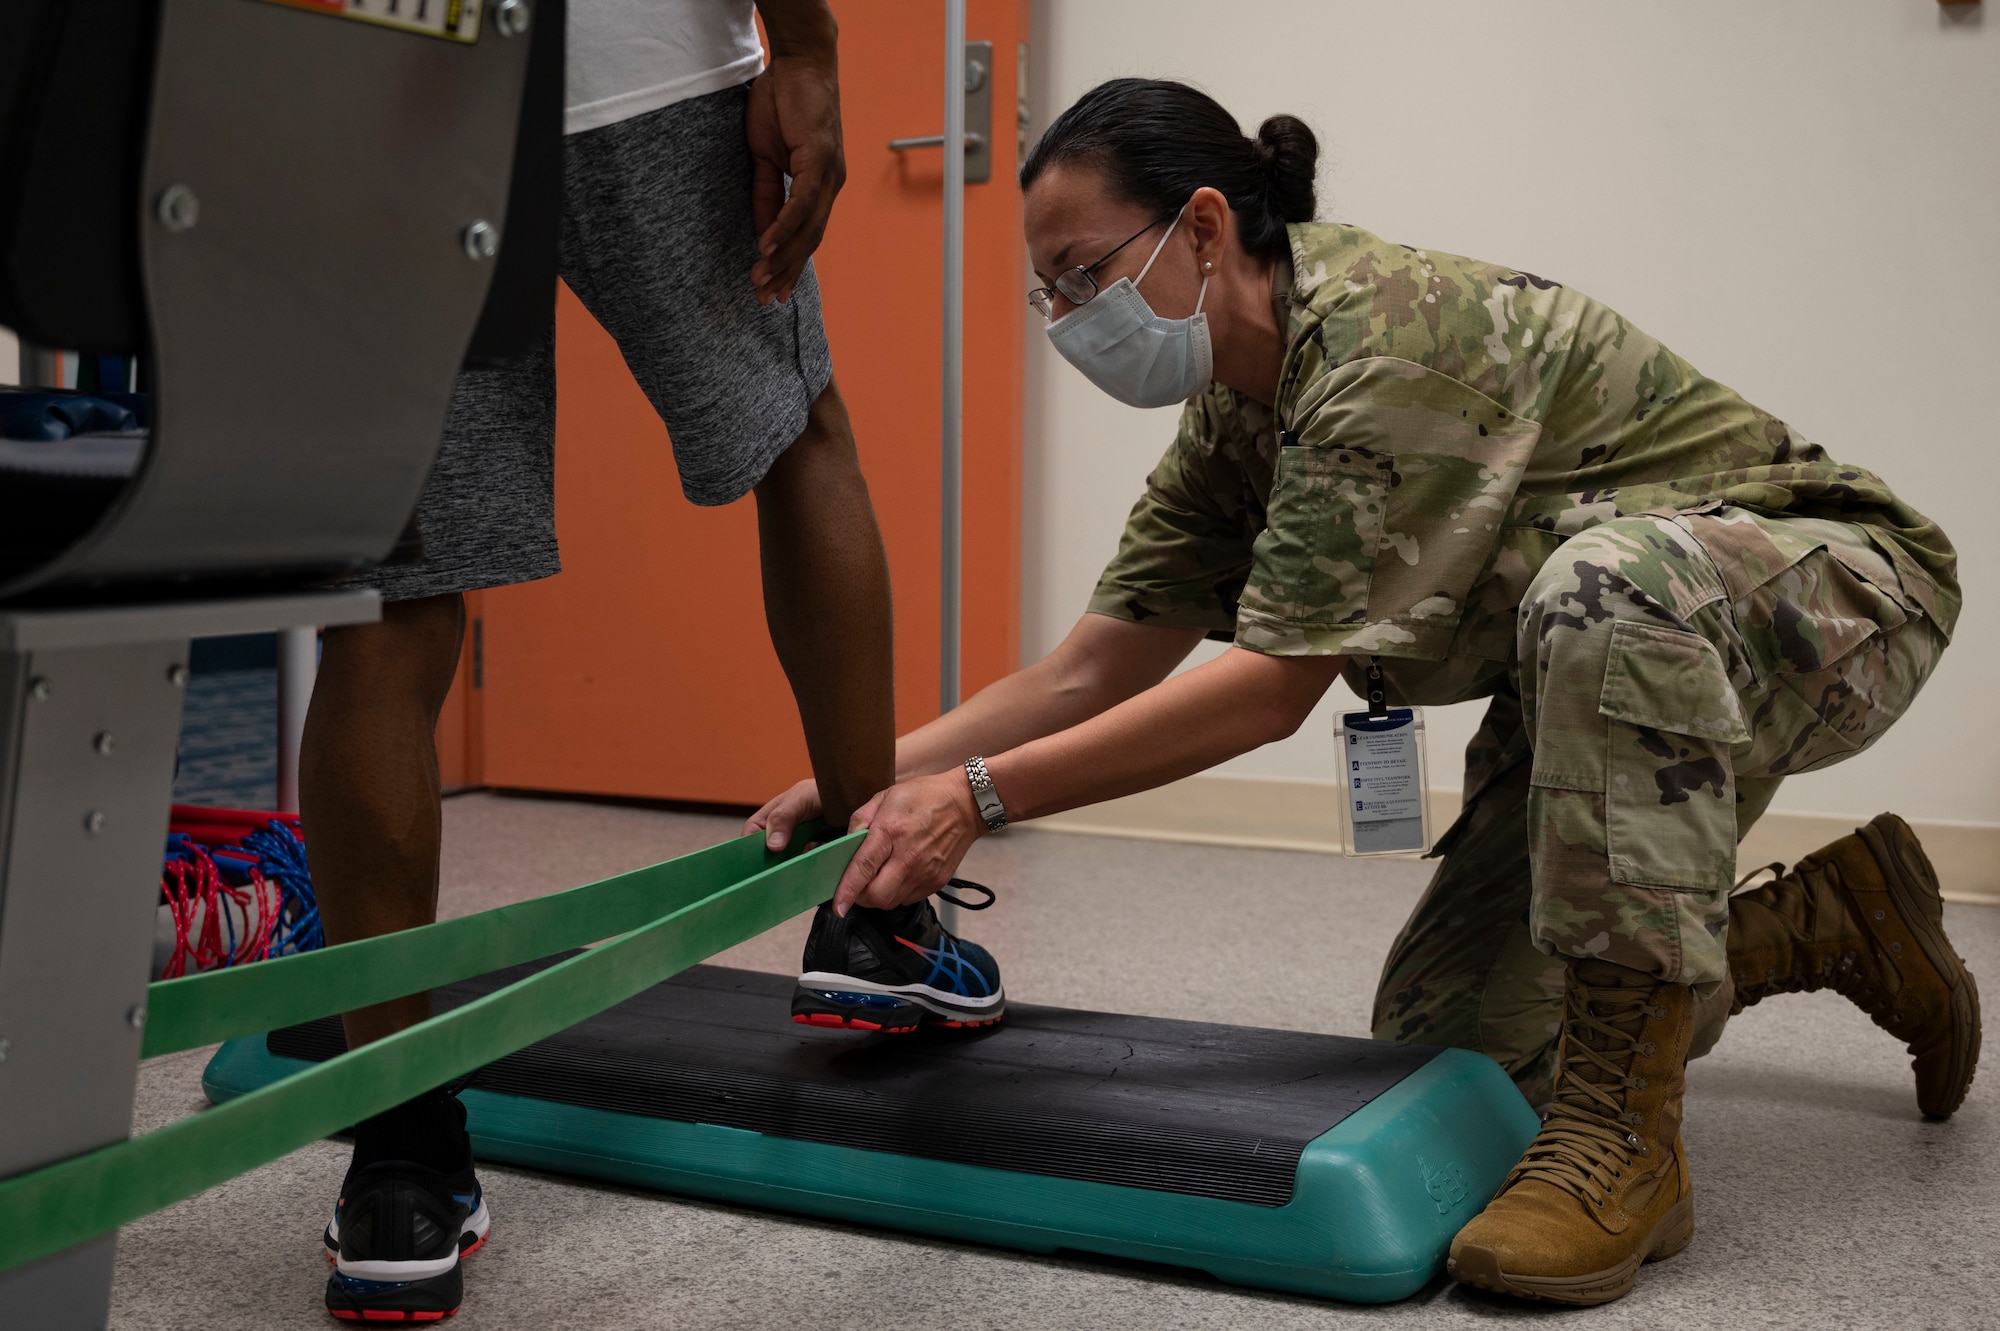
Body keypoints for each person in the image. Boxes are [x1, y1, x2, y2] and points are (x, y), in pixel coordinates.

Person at [747, 78, 1981, 1307]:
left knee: (1607, 587)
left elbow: (1266, 692)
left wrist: (972, 798)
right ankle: (1834, 918)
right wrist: (873, 773)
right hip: (1602, 678)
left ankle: (1626, 1148)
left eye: (1083, 272)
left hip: (1831, 596)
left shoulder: (1386, 343)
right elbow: (1095, 662)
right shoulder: (1236, 412)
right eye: (1049, 292)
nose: (1069, 317)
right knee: (1460, 1057)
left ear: (1204, 228)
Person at [301, 3, 1001, 1320]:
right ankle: (875, 909)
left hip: (396, 73)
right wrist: (805, 46)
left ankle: (397, 1154)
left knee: (391, 593)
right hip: (638, 69)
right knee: (800, 434)